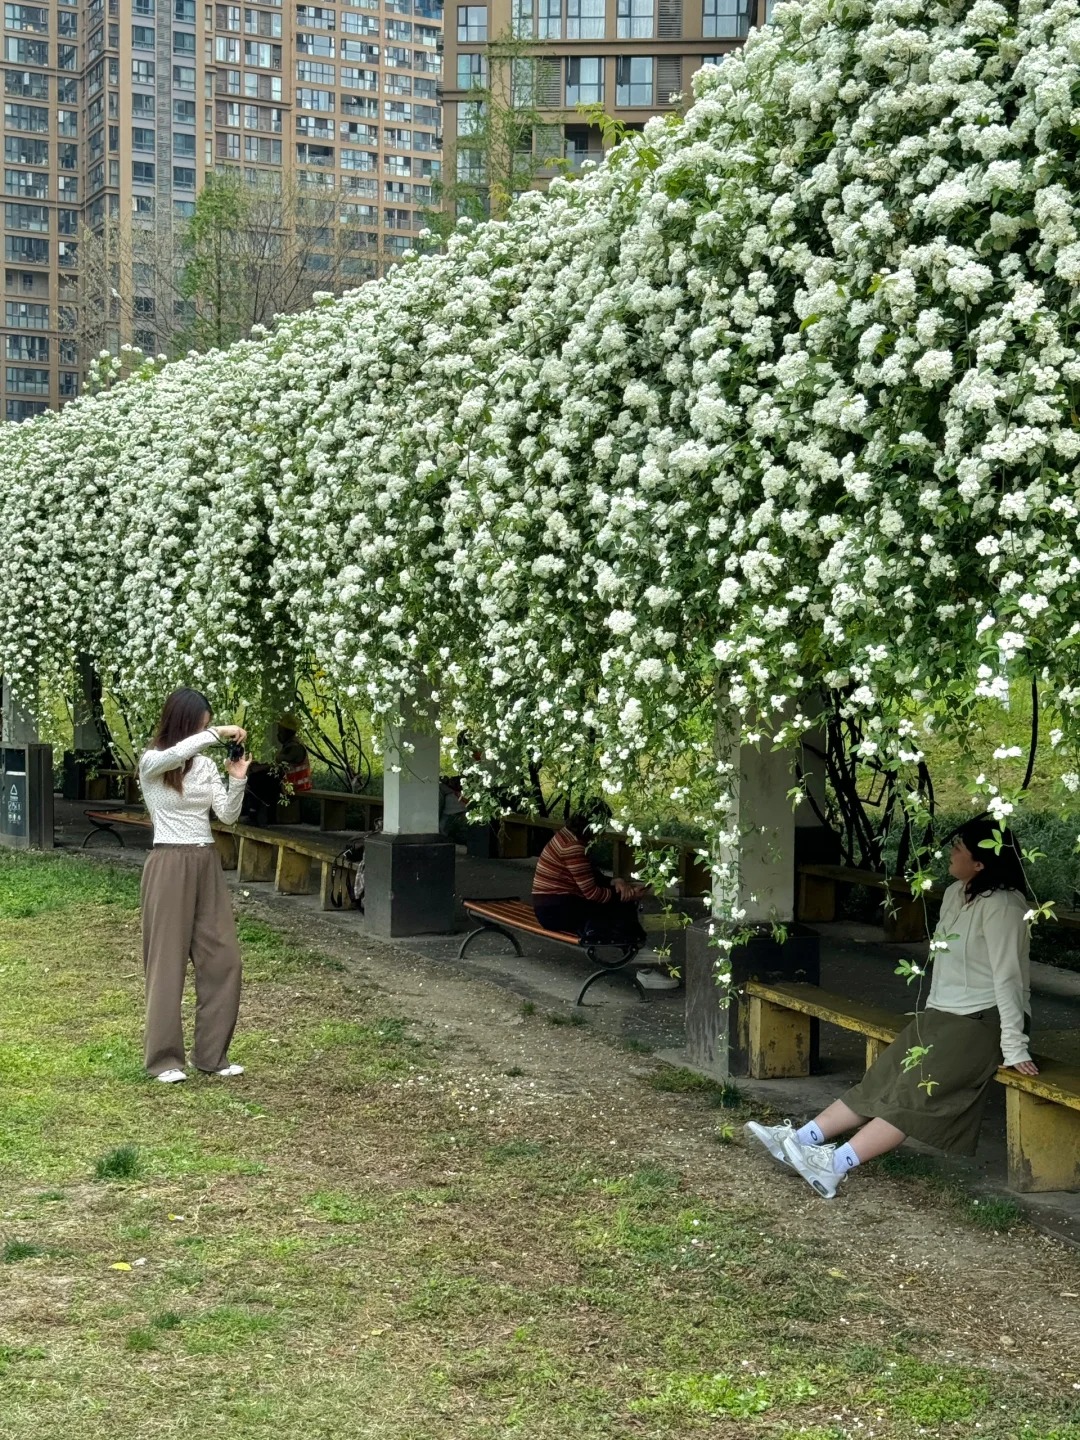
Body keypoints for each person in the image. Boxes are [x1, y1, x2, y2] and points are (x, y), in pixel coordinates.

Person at [745, 818, 1036, 1198]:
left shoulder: (1004, 906)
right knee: (883, 1078)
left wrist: (1014, 1046)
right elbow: (948, 966)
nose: (950, 854)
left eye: (959, 850)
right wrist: (929, 1015)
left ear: (980, 863)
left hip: (982, 1021)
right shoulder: (954, 893)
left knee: (915, 1096)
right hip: (941, 1014)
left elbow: (1009, 979)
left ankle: (834, 1166)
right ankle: (799, 1141)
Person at [138, 687, 251, 1084]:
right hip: (169, 861)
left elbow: (227, 815)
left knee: (224, 959)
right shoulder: (153, 761)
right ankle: (165, 1061)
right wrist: (216, 733)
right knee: (166, 963)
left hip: (206, 861)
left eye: (208, 725)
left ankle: (212, 1056)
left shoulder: (204, 766)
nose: (206, 731)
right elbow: (174, 755)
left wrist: (237, 781)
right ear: (185, 724)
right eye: (200, 725)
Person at [531, 812, 678, 990]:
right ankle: (638, 955)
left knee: (616, 902)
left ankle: (637, 952)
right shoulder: (573, 847)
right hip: (556, 910)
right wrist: (626, 895)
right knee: (620, 904)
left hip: (553, 906)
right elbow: (592, 894)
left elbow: (588, 875)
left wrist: (615, 882)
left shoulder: (566, 835)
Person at [241, 712, 312, 824]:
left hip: (295, 785)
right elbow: (276, 766)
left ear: (288, 732)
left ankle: (254, 815)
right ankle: (256, 813)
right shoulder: (290, 745)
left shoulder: (295, 748)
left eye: (280, 731)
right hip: (288, 784)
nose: (278, 734)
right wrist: (258, 766)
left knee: (258, 780)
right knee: (260, 778)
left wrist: (259, 768)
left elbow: (278, 765)